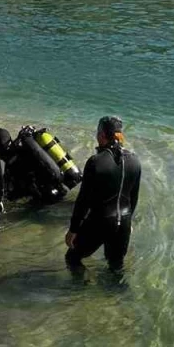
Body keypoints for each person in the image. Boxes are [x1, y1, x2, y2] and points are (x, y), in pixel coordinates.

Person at [65, 116, 142, 273]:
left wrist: (73, 229)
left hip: (100, 221)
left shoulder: (95, 162)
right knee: (115, 265)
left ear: (101, 135)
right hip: (125, 222)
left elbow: (83, 200)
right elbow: (133, 197)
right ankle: (116, 296)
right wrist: (129, 222)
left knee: (72, 257)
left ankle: (81, 290)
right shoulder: (135, 161)